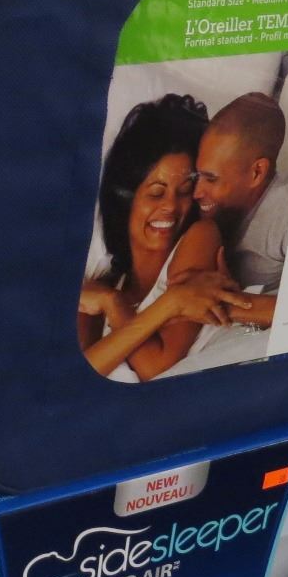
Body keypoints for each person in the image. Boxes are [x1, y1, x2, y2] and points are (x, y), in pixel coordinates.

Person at [79, 94, 254, 381]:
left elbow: (156, 366)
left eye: (184, 192)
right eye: (156, 193)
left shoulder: (200, 238)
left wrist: (119, 307)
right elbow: (79, 375)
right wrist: (114, 299)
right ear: (125, 199)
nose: (171, 206)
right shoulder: (104, 285)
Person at [192, 92, 288, 327]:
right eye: (198, 175)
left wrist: (225, 303)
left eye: (211, 179)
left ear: (256, 173)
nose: (196, 192)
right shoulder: (211, 209)